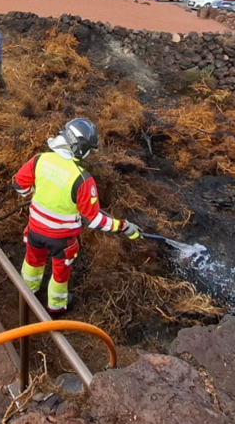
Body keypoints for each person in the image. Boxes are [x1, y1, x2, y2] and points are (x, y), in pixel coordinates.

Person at [12, 118, 141, 314]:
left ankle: (27, 292)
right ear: (81, 149)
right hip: (61, 240)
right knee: (60, 272)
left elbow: (19, 185)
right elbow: (94, 220)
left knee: (32, 260)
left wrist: (36, 194)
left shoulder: (39, 160)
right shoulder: (82, 179)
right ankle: (56, 306)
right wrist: (123, 226)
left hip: (35, 229)